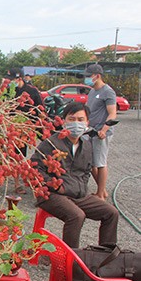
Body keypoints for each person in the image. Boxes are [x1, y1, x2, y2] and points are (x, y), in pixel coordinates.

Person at [30, 101, 118, 248]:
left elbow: (86, 172)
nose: (76, 123)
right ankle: (70, 260)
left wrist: (81, 189)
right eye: (72, 119)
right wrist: (56, 187)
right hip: (51, 195)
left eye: (80, 120)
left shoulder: (87, 146)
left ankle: (105, 256)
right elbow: (35, 170)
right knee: (76, 216)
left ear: (87, 123)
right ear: (64, 121)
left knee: (111, 213)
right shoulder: (51, 144)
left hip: (78, 195)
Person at [83, 63, 117, 200]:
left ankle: (100, 195)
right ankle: (102, 190)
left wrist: (104, 130)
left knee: (100, 162)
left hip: (101, 132)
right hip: (91, 131)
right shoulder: (92, 91)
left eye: (88, 76)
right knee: (90, 162)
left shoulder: (108, 92)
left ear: (97, 76)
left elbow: (112, 113)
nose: (86, 79)